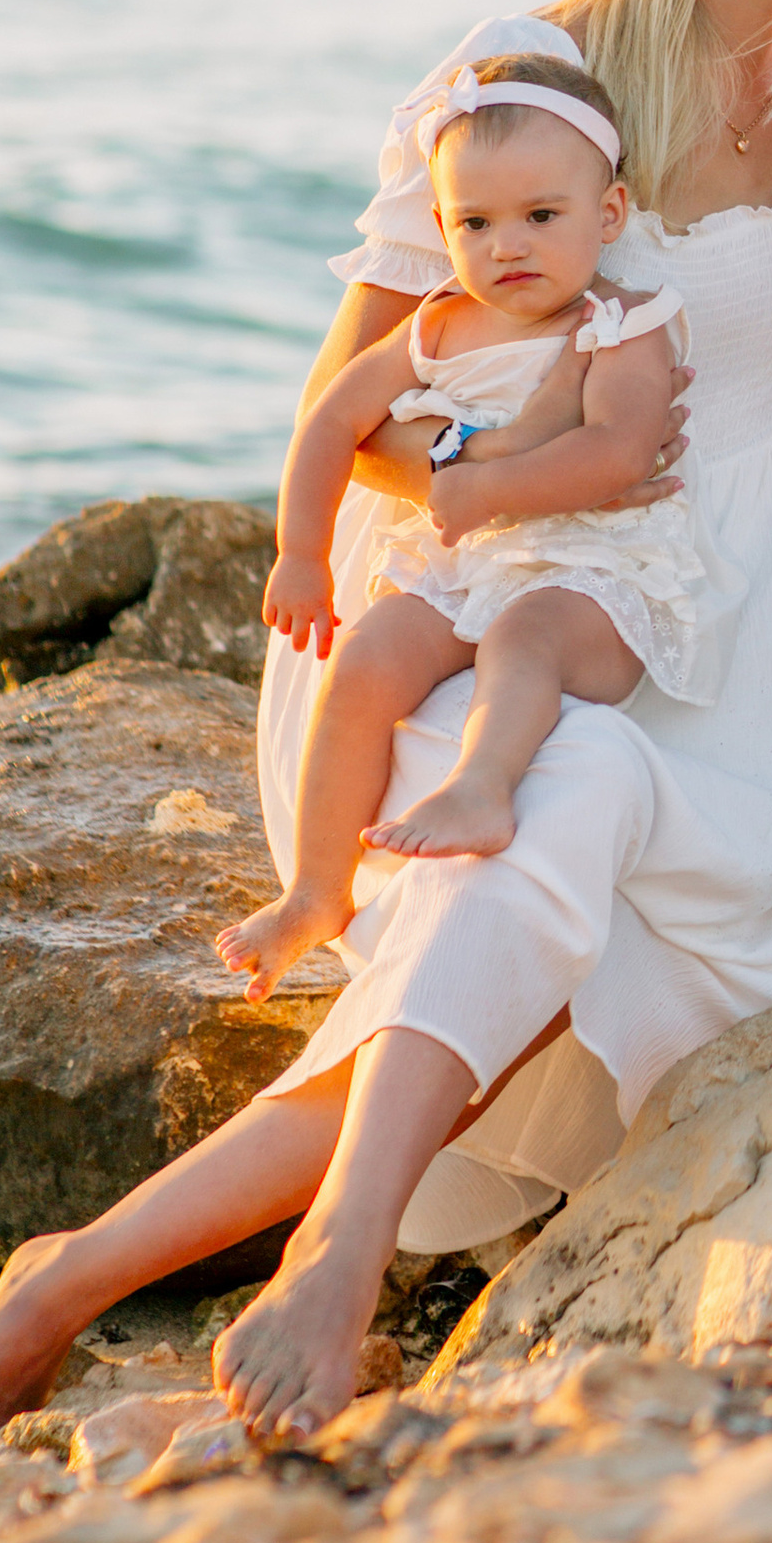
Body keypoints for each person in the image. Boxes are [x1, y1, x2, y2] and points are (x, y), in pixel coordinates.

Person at [0, 0, 772, 1451]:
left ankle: (75, 1270)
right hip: (460, 605)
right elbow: (352, 408)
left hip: (729, 626)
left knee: (579, 889)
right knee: (566, 790)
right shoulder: (522, 77)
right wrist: (507, 479)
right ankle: (335, 1258)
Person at [217, 55, 719, 1007]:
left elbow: (620, 450)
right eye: (475, 224)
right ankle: (316, 892)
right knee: (366, 659)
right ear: (442, 228)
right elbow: (332, 420)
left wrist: (487, 488)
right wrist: (300, 554)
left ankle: (484, 787)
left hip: (591, 572)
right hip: (464, 564)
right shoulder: (440, 325)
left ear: (608, 214)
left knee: (524, 639)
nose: (508, 246)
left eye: (542, 216)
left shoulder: (619, 323)